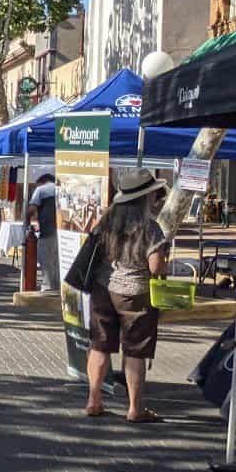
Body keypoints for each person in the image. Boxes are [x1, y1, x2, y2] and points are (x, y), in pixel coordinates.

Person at [85, 169, 170, 423]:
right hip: (136, 294)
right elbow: (155, 267)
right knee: (134, 351)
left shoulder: (106, 223)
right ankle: (134, 408)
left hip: (103, 289)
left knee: (99, 345)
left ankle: (94, 400)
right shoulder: (150, 228)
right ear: (145, 197)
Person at [26, 173, 60, 291]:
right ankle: (58, 287)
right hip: (62, 232)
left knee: (46, 261)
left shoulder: (41, 190)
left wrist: (26, 221)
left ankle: (48, 287)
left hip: (47, 231)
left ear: (43, 181)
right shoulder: (61, 188)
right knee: (57, 262)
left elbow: (32, 209)